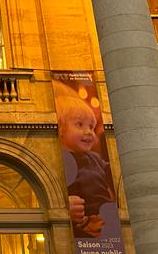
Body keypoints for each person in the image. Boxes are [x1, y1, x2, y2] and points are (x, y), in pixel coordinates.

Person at [58, 96, 112, 239]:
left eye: (91, 127)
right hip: (81, 225)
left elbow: (113, 174)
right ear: (60, 129)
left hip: (106, 221)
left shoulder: (94, 157)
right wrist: (64, 206)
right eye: (80, 124)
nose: (88, 132)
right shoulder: (59, 160)